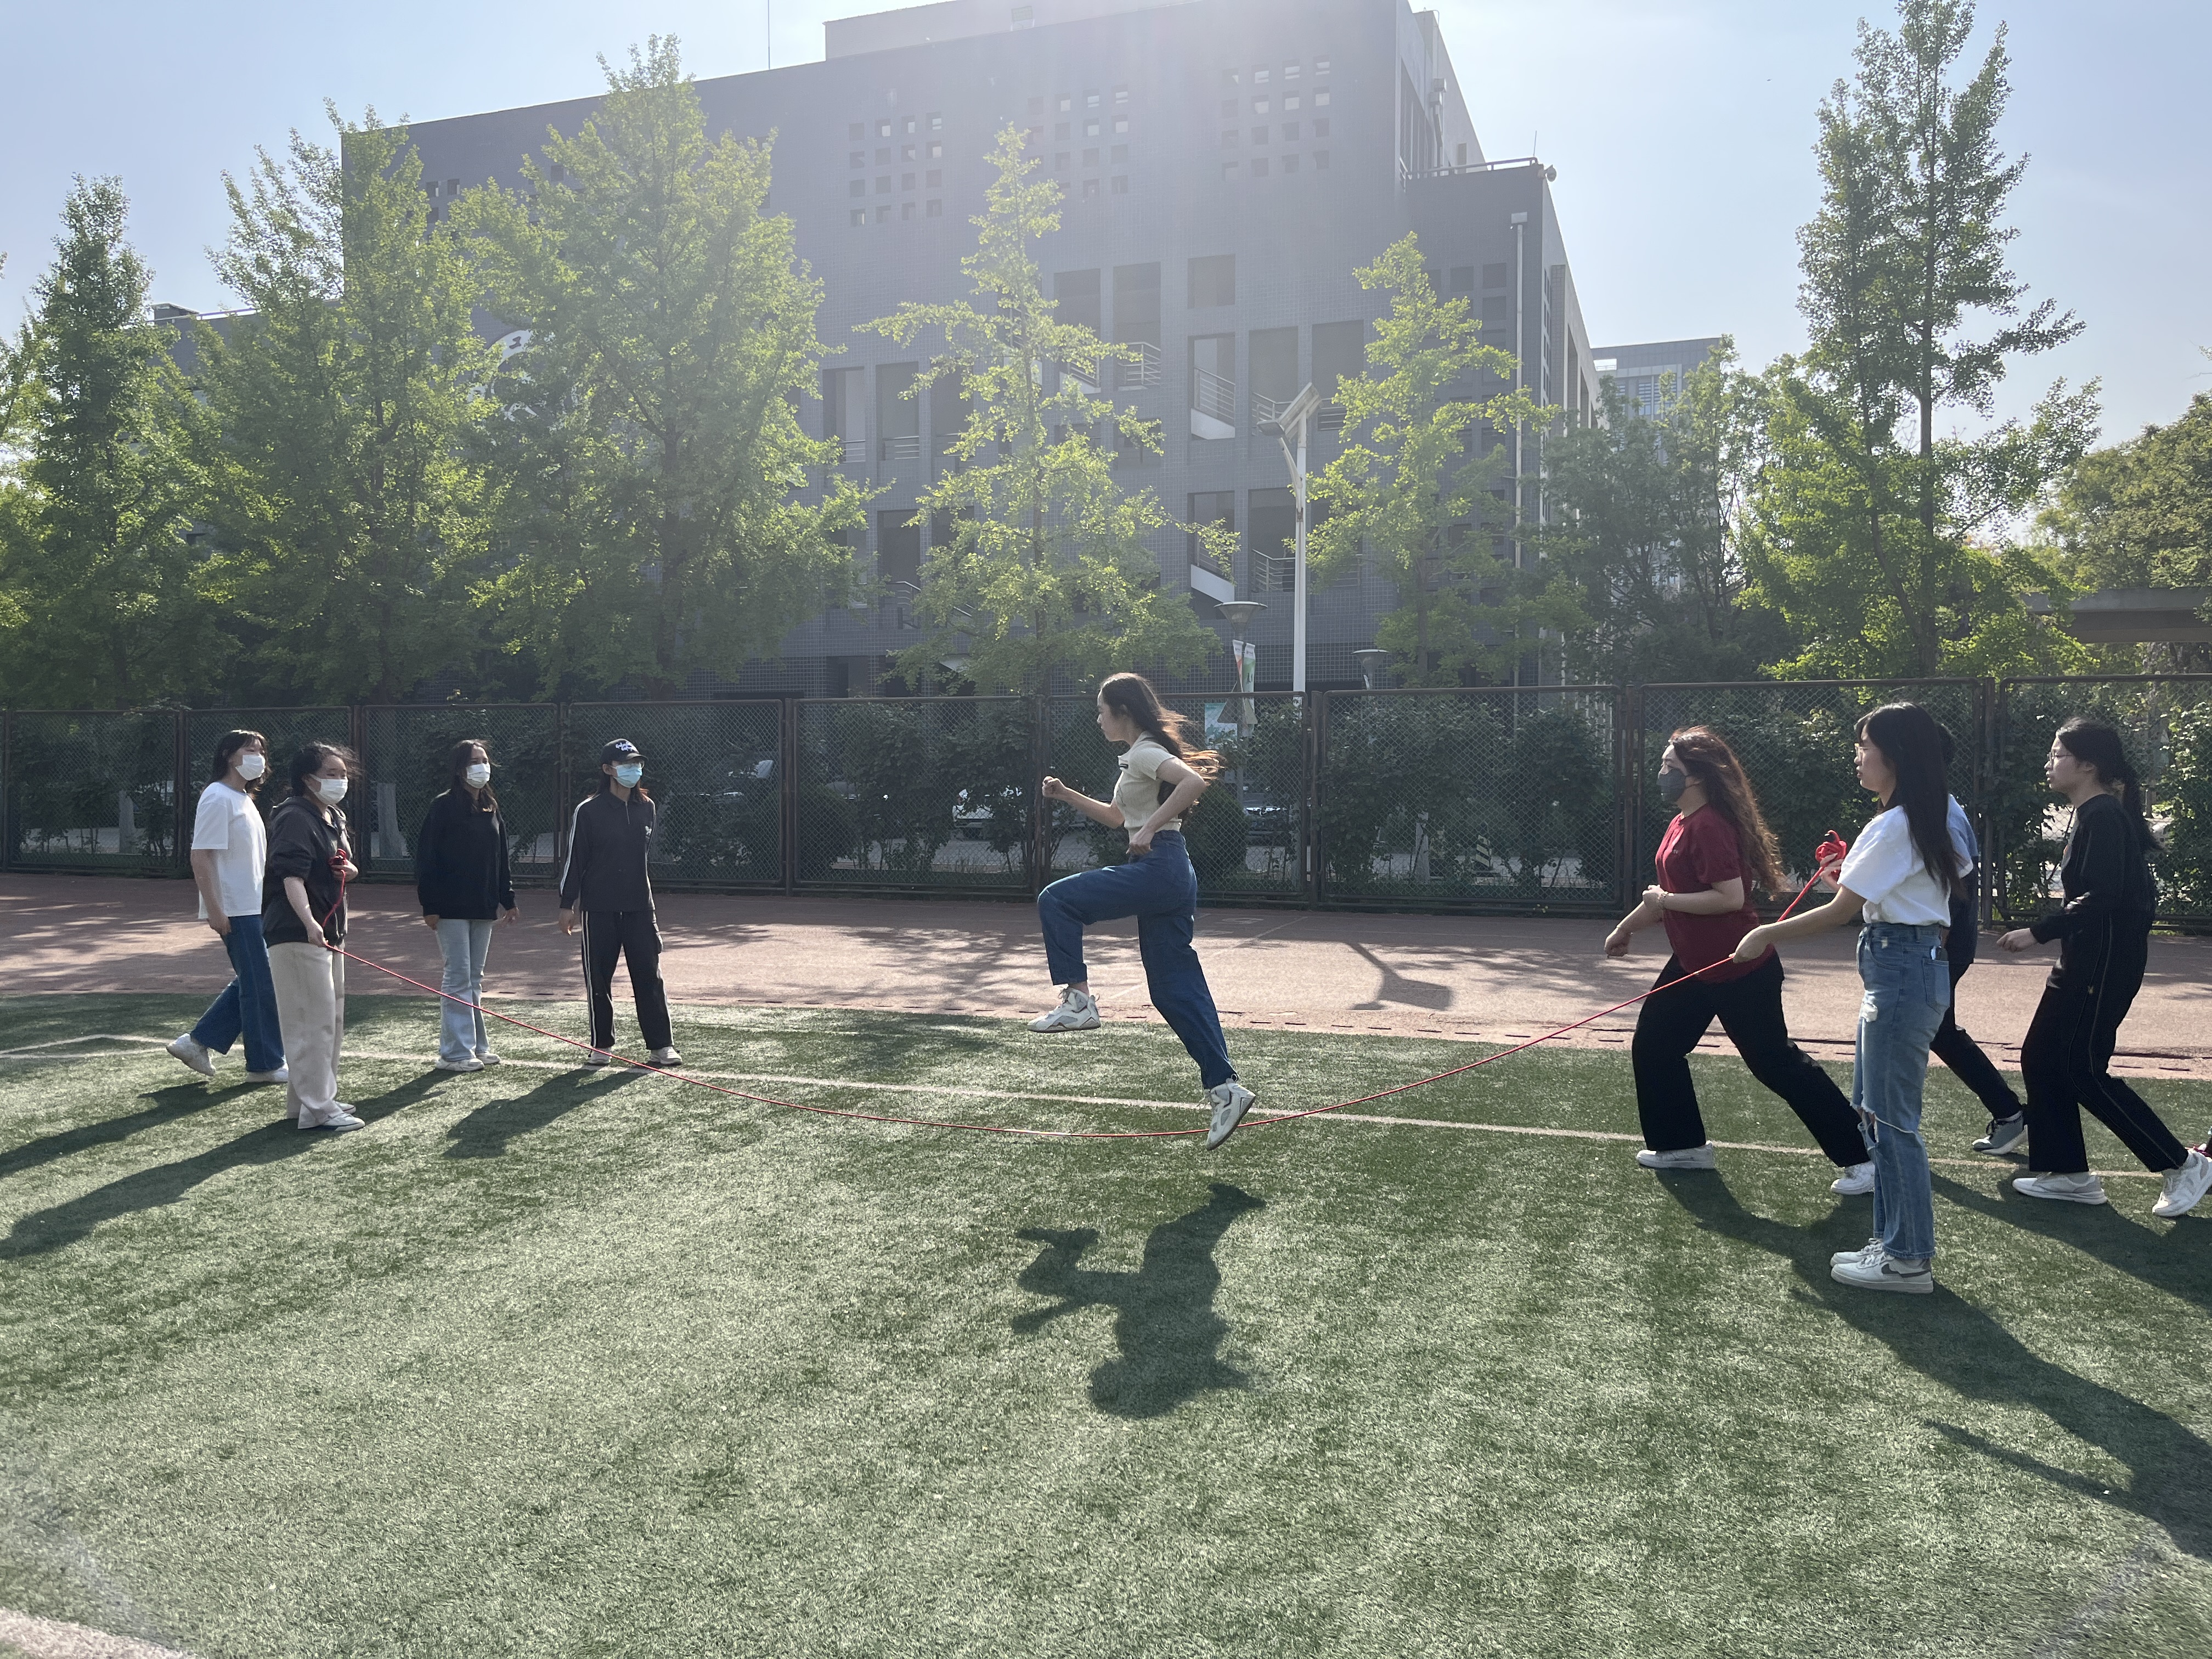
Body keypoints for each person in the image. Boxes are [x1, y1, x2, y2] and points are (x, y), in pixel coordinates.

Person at [1734, 702, 1963, 1294]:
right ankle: (1894, 1245)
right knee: (1877, 1115)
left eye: (1865, 744)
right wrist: (1848, 876)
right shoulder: (1923, 816)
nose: (1858, 756)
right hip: (1902, 968)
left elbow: (1842, 912)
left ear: (1897, 754)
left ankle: (1908, 1259)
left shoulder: (1898, 823)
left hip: (1901, 971)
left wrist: (1763, 934)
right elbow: (1882, 893)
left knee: (1892, 1122)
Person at [1604, 727, 1870, 1191]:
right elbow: (1665, 896)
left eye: (1670, 767)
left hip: (1739, 967)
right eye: (1663, 764)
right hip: (1694, 965)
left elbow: (1728, 898)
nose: (1661, 773)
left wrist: (1664, 901)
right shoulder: (1682, 822)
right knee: (1656, 1045)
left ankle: (1864, 1157)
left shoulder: (1710, 825)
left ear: (1697, 776)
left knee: (1774, 1063)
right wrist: (1626, 928)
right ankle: (1681, 1147)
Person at [1032, 672, 1256, 1152]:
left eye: (1101, 711)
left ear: (1123, 712)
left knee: (1056, 900)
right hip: (1172, 872)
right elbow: (1117, 817)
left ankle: (1078, 1003)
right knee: (1174, 989)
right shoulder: (1137, 755)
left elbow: (1192, 782)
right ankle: (1226, 1089)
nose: (1098, 719)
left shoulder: (1146, 752)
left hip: (1160, 866)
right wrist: (1066, 794)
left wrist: (1151, 828)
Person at [1997, 718, 2212, 1218]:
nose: (2049, 763)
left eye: (2058, 754)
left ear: (2089, 764)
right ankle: (2068, 1174)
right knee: (2040, 1057)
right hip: (2082, 959)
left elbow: (2105, 895)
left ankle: (2182, 1165)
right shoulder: (2092, 815)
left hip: (2104, 964)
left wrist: (2039, 931)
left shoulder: (2105, 818)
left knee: (2082, 1069)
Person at [1923, 731, 2030, 1154]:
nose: (1861, 756)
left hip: (1940, 949)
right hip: (1940, 948)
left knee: (1918, 1030)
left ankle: (2011, 1114)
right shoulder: (1931, 806)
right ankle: (2011, 1114)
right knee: (1935, 1031)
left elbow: (1955, 892)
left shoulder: (1940, 815)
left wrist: (1932, 951)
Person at [167, 729, 287, 1086]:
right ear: (228, 756)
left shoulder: (243, 799)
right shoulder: (217, 797)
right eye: (249, 750)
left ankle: (196, 1042)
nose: (258, 757)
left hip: (252, 906)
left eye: (261, 751)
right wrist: (216, 909)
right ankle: (264, 1065)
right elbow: (201, 856)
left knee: (257, 978)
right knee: (260, 983)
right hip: (235, 908)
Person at [558, 738, 678, 1068]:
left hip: (640, 907)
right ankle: (601, 1045)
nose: (633, 769)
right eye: (626, 764)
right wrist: (567, 904)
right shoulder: (588, 810)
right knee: (598, 978)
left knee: (649, 976)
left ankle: (662, 1045)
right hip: (599, 908)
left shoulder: (647, 807)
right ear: (608, 770)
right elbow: (576, 860)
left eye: (637, 763)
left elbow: (641, 857)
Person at [264, 743, 363, 1132]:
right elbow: (291, 877)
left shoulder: (332, 816)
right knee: (310, 1022)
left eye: (343, 775)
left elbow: (341, 863)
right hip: (298, 933)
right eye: (331, 774)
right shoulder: (294, 817)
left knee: (329, 1020)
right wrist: (309, 923)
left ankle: (310, 1101)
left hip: (330, 929)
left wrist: (347, 870)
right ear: (308, 779)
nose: (340, 781)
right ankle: (319, 1108)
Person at [416, 738, 519, 1074]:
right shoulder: (443, 806)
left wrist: (507, 899)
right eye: (475, 761)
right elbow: (427, 858)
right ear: (460, 769)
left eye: (484, 760)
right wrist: (430, 905)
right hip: (450, 906)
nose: (482, 767)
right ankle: (454, 1053)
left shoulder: (491, 807)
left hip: (483, 905)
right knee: (458, 976)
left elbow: (501, 857)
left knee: (474, 977)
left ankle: (476, 1045)